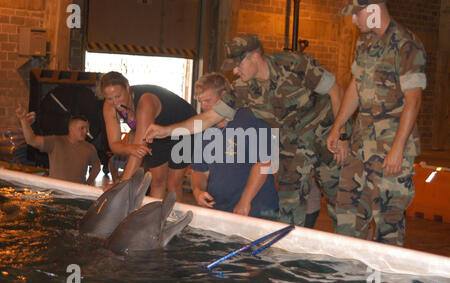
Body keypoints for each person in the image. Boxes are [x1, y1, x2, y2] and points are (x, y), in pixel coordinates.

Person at [145, 34, 350, 229]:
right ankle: (287, 260)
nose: (234, 71)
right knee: (289, 209)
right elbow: (209, 118)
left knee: (343, 205)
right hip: (293, 148)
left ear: (255, 57)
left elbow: (336, 91)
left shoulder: (294, 64)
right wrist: (167, 131)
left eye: (238, 65)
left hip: (326, 136)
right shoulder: (242, 89)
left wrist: (341, 134)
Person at [327, 0, 427, 246]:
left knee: (387, 222)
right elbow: (355, 86)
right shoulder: (364, 42)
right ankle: (349, 275)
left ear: (373, 10)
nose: (353, 20)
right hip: (361, 146)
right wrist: (338, 125)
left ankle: (386, 282)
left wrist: (397, 149)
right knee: (347, 214)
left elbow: (413, 100)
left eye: (356, 14)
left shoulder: (407, 44)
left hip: (389, 151)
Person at [190, 73, 279, 220]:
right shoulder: (205, 128)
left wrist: (245, 200)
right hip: (220, 209)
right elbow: (200, 171)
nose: (204, 106)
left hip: (256, 208)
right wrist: (197, 190)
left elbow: (264, 163)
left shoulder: (250, 118)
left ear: (224, 96)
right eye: (201, 101)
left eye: (208, 100)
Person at [99, 72, 196, 200]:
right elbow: (114, 145)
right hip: (156, 132)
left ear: (127, 87)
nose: (115, 103)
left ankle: (174, 218)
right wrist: (130, 148)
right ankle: (153, 219)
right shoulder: (109, 107)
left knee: (173, 183)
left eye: (118, 96)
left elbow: (140, 148)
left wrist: (121, 186)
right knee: (156, 181)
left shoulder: (145, 101)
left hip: (183, 129)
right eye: (109, 98)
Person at [16, 104, 100, 185]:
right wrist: (23, 119)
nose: (85, 131)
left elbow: (96, 166)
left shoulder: (89, 148)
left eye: (86, 128)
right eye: (82, 128)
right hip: (55, 190)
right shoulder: (55, 142)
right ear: (71, 128)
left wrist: (88, 183)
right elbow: (31, 140)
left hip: (76, 192)